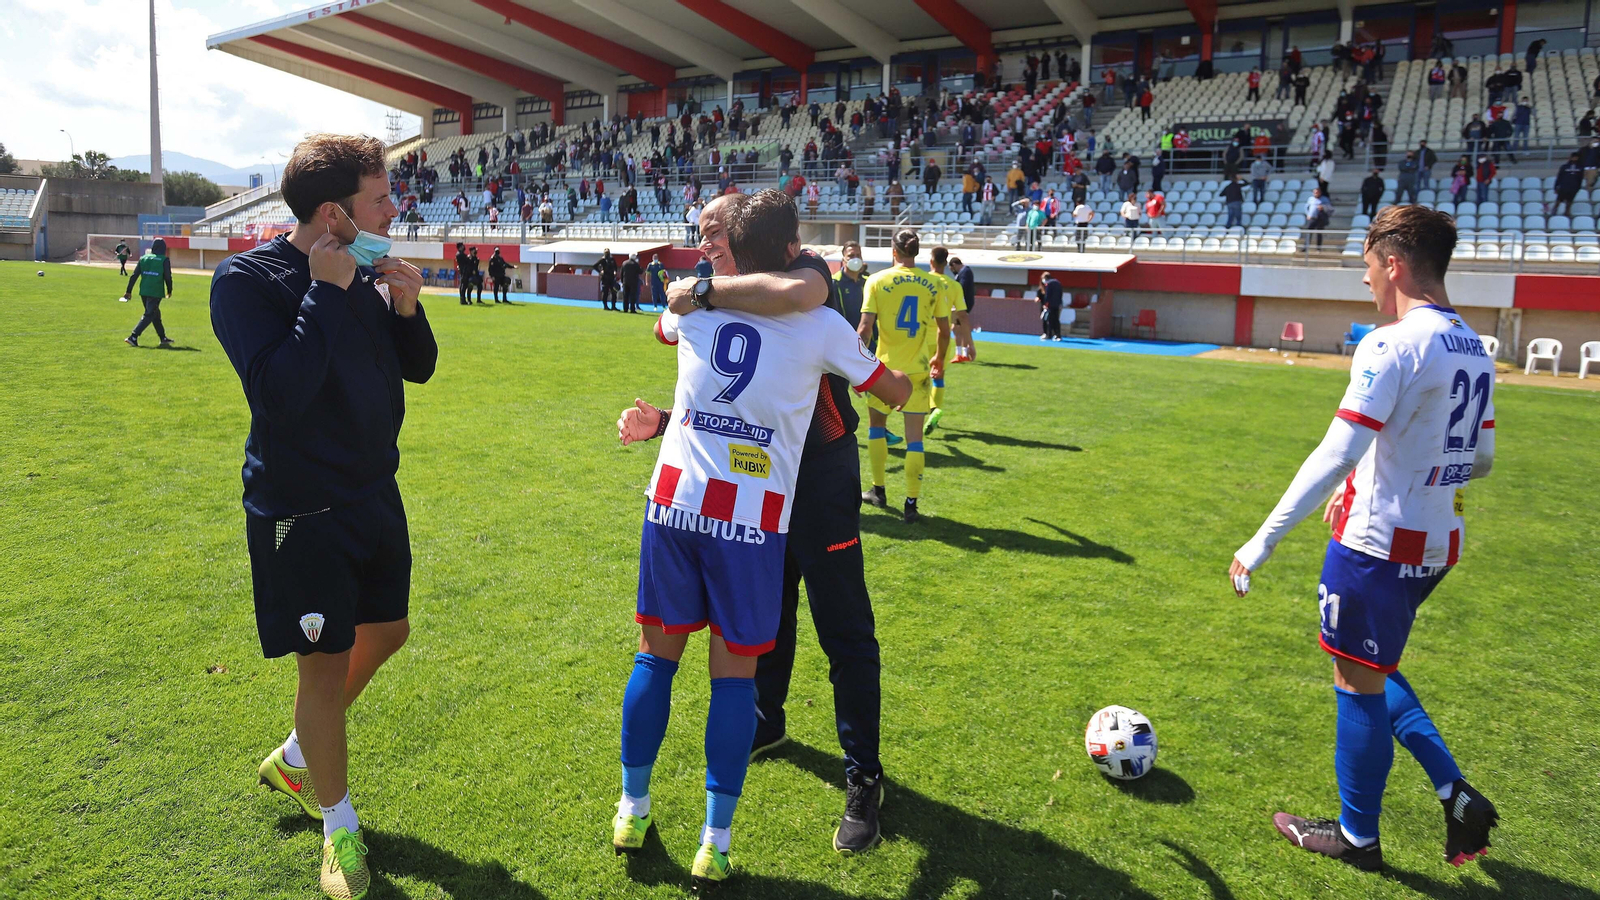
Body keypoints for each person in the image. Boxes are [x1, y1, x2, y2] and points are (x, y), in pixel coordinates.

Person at [612, 192, 911, 888]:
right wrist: (664, 423)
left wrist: (704, 290)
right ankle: (747, 760)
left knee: (842, 634)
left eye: (715, 231)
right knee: (750, 649)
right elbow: (724, 397)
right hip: (753, 506)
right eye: (701, 233)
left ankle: (862, 776)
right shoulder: (749, 306)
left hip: (786, 493)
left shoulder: (785, 291)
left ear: (754, 244)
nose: (704, 242)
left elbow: (790, 294)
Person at [1229, 205, 1498, 874]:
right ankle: (1453, 789)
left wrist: (1259, 542)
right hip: (1438, 544)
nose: (1367, 283)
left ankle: (1356, 838)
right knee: (1374, 664)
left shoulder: (1392, 342)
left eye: (1369, 268)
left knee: (1356, 679)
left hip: (1376, 547)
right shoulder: (1474, 344)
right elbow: (1482, 459)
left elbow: (1333, 454)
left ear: (1395, 264)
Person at [210, 133, 437, 900]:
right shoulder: (246, 280)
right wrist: (325, 290)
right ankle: (338, 828)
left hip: (375, 491)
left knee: (390, 630)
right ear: (336, 213)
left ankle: (299, 756)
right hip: (301, 508)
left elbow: (417, 366)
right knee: (324, 662)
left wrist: (405, 309)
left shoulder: (366, 268)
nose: (393, 209)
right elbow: (280, 394)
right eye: (380, 198)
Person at [858, 229, 951, 524]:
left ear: (893, 251)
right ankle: (911, 504)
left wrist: (856, 368)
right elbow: (945, 331)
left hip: (884, 371)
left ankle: (878, 490)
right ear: (917, 252)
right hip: (918, 371)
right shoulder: (935, 283)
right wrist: (938, 357)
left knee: (876, 428)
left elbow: (864, 329)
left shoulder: (876, 280)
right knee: (914, 439)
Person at [924, 246, 970, 434]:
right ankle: (935, 410)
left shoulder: (923, 280)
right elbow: (963, 315)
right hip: (943, 337)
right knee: (938, 376)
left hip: (920, 337)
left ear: (931, 261)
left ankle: (925, 409)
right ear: (946, 263)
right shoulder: (954, 286)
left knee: (918, 377)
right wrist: (970, 343)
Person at [122, 238, 174, 348]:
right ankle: (133, 336)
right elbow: (168, 277)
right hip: (155, 291)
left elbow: (134, 275)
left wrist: (128, 291)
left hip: (144, 291)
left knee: (155, 314)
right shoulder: (164, 260)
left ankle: (163, 338)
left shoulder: (143, 258)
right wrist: (169, 290)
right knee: (149, 314)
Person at [948, 256, 977, 362]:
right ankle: (963, 353)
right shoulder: (964, 272)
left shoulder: (965, 272)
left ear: (954, 265)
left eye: (952, 269)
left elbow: (961, 287)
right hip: (963, 303)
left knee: (956, 328)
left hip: (962, 304)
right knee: (960, 328)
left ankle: (960, 353)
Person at [1554, 152, 1584, 217]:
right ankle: (1554, 210)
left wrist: (1578, 187)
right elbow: (1559, 177)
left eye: (1576, 157)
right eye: (1573, 157)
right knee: (1559, 200)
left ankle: (1567, 212)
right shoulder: (1564, 167)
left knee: (1569, 201)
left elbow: (1580, 178)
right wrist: (1556, 186)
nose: (1574, 159)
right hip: (1564, 186)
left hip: (1573, 187)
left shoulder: (1580, 168)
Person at [1038, 271, 1063, 341]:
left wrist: (1046, 304)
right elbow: (1060, 294)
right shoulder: (1058, 283)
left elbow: (1048, 295)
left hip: (1050, 305)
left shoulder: (1048, 284)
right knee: (1056, 320)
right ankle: (1058, 335)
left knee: (1049, 320)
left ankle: (1049, 335)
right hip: (1057, 304)